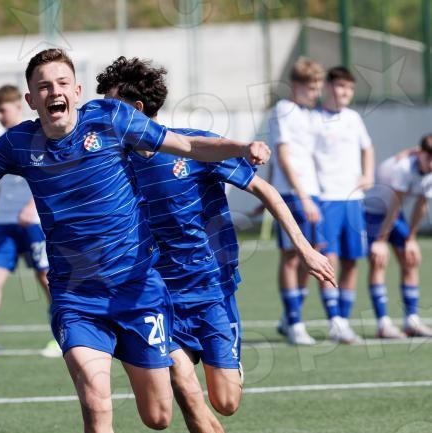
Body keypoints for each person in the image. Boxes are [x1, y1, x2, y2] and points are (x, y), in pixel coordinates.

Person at [0, 48, 271, 433]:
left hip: (137, 292)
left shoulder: (111, 118)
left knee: (158, 417)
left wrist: (242, 148)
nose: (54, 91)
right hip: (77, 299)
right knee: (95, 401)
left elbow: (187, 146)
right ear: (31, 100)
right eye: (44, 86)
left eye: (62, 83)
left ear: (77, 91)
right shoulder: (17, 143)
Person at [96, 56, 335, 433]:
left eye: (110, 107)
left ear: (136, 110)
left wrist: (305, 249)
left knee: (225, 402)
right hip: (156, 297)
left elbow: (266, 190)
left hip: (212, 291)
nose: (102, 115)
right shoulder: (112, 164)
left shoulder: (192, 147)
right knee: (185, 388)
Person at [0, 84, 56, 355]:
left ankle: (64, 333)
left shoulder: (35, 138)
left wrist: (32, 207)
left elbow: (49, 177)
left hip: (33, 224)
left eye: (3, 110)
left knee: (47, 280)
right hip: (4, 224)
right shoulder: (1, 142)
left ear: (19, 106)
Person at [313, 66, 374, 343]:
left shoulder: (353, 118)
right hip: (326, 198)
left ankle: (344, 321)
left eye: (349, 88)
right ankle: (334, 319)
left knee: (351, 260)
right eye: (340, 86)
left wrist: (368, 174)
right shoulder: (314, 119)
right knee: (329, 260)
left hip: (353, 200)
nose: (345, 92)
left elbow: (367, 147)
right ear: (328, 87)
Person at [269, 58, 326, 345]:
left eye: (318, 88)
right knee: (292, 256)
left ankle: (291, 316)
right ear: (296, 85)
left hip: (312, 193)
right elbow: (281, 157)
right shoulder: (283, 110)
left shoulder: (309, 115)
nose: (316, 94)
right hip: (294, 194)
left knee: (312, 254)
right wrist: (301, 197)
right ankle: (294, 323)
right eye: (311, 88)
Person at [364, 136, 432, 338]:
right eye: (429, 157)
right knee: (379, 261)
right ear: (420, 153)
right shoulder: (403, 168)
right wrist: (380, 241)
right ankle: (383, 325)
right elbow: (394, 204)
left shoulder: (427, 170)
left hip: (394, 214)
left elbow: (422, 204)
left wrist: (411, 239)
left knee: (410, 260)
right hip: (372, 212)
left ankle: (412, 322)